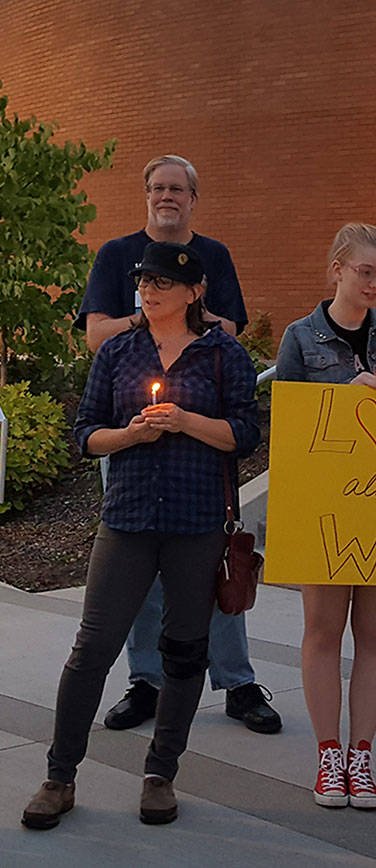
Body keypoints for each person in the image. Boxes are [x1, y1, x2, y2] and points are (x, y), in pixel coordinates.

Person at [22, 241, 260, 830]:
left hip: (197, 521)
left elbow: (245, 434)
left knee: (184, 651)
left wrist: (184, 422)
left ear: (194, 291)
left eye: (160, 282)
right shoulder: (119, 351)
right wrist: (127, 436)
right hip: (126, 519)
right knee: (92, 648)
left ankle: (161, 774)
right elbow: (84, 435)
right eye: (143, 282)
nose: (148, 291)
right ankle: (59, 776)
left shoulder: (225, 354)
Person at [74, 154, 280, 735]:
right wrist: (160, 319)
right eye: (158, 188)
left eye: (178, 189)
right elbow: (96, 335)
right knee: (137, 570)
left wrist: (162, 324)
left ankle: (237, 683)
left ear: (194, 197)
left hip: (202, 450)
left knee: (215, 567)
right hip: (132, 446)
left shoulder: (215, 255)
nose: (167, 196)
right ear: (146, 195)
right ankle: (146, 682)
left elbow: (228, 332)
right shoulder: (116, 255)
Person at [273, 223, 376, 809]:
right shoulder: (301, 337)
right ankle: (328, 755)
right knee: (323, 630)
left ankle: (363, 754)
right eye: (366, 272)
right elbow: (285, 423)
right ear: (337, 268)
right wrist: (339, 398)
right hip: (325, 503)